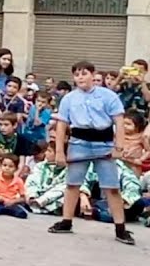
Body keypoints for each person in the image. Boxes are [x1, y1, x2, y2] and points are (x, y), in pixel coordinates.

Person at [49, 60, 133, 244]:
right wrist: (60, 152)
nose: (80, 78)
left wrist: (119, 147)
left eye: (84, 73)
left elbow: (119, 122)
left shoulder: (108, 96)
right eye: (77, 74)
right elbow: (62, 125)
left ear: (93, 75)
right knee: (72, 184)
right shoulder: (69, 99)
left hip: (104, 144)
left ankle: (120, 228)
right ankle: (66, 222)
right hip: (79, 144)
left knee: (112, 188)